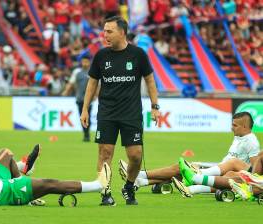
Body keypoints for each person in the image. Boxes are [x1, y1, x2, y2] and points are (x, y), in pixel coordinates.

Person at [80, 16, 160, 206]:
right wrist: (85, 109)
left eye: (109, 31)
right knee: (105, 153)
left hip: (131, 113)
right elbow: (92, 83)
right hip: (107, 112)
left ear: (122, 32)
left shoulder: (138, 54)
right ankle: (105, 192)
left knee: (135, 156)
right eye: (104, 31)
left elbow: (149, 80)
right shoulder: (100, 56)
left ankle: (129, 186)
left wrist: (155, 106)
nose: (105, 35)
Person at [119, 112, 260, 196]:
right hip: (220, 168)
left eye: (235, 125)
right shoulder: (239, 136)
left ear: (245, 127)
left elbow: (254, 170)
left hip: (228, 173)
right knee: (182, 169)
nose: (231, 127)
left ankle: (140, 175)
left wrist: (232, 170)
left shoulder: (251, 142)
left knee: (179, 168)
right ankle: (140, 180)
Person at [62, 56, 93, 142]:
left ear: (89, 62)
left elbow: (97, 85)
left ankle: (87, 134)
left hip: (89, 100)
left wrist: (96, 95)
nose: (85, 64)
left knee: (88, 117)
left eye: (86, 62)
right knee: (82, 117)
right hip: (79, 98)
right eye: (83, 62)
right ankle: (85, 134)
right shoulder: (77, 72)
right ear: (81, 62)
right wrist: (66, 91)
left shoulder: (93, 71)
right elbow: (71, 83)